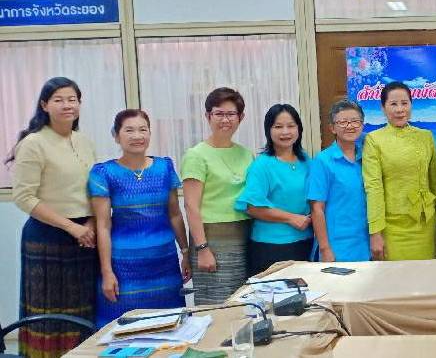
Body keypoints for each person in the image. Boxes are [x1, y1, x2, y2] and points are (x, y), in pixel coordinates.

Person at [8, 77, 97, 357]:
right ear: (44, 105)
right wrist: (71, 227)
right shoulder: (33, 143)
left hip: (85, 237)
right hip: (47, 237)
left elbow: (95, 189)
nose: (67, 105)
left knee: (83, 308)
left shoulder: (83, 141)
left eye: (72, 99)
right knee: (50, 313)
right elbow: (24, 197)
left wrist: (91, 223)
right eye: (59, 100)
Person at [90, 109, 190, 328]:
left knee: (170, 327)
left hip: (164, 265)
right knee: (124, 329)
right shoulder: (104, 172)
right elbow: (103, 226)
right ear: (116, 136)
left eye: (143, 130)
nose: (137, 136)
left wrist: (185, 252)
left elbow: (174, 214)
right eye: (129, 130)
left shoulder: (164, 167)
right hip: (124, 268)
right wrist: (106, 271)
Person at [181, 87, 254, 304]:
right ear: (208, 116)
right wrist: (202, 248)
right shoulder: (196, 155)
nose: (225, 120)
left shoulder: (246, 154)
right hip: (212, 240)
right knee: (216, 305)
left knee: (245, 303)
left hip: (245, 236)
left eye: (231, 114)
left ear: (241, 117)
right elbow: (191, 206)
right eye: (219, 114)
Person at [363, 82, 436, 260]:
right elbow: (373, 187)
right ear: (383, 108)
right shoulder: (373, 140)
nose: (400, 109)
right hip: (391, 226)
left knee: (426, 274)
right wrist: (375, 232)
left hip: (425, 223)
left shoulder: (426, 136)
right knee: (395, 275)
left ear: (411, 105)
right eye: (393, 104)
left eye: (404, 103)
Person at [236, 104, 312, 275]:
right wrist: (291, 218)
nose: (285, 132)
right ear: (268, 130)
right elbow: (252, 207)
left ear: (299, 129)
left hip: (306, 242)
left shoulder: (306, 161)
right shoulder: (262, 165)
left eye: (291, 126)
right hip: (272, 247)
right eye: (278, 127)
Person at [308, 99, 370, 262]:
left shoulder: (368, 157)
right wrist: (325, 249)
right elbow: (317, 209)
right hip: (337, 248)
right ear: (332, 128)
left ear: (362, 125)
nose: (350, 126)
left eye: (355, 121)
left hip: (366, 245)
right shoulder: (323, 161)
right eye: (342, 122)